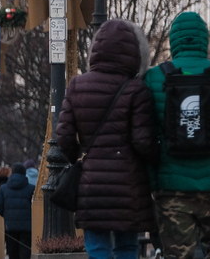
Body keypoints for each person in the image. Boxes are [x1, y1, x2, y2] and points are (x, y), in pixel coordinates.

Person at [144, 11, 210, 259]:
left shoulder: (154, 78)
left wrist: (153, 181)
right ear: (205, 40)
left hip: (172, 187)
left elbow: (146, 138)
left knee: (178, 253)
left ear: (174, 40)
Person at [55, 18, 158, 259]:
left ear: (96, 50)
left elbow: (64, 136)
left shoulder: (77, 85)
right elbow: (143, 142)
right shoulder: (136, 89)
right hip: (129, 184)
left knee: (97, 247)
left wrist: (79, 157)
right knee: (126, 246)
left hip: (91, 185)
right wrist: (155, 157)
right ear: (133, 52)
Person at [0, 162, 35, 259]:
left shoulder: (3, 188)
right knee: (25, 252)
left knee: (12, 252)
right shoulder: (31, 188)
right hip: (27, 227)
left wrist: (7, 215)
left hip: (10, 226)